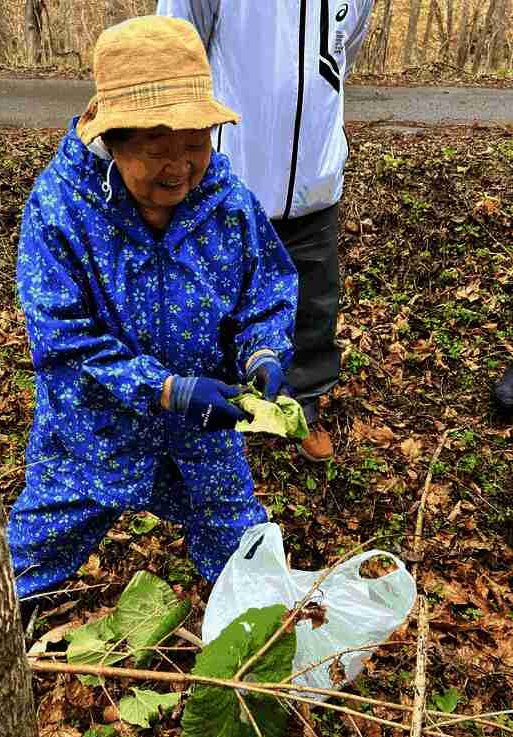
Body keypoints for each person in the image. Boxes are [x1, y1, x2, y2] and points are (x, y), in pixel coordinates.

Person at [8, 16, 298, 600]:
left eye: (195, 144)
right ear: (112, 141)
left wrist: (262, 349)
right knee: (28, 560)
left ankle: (259, 645)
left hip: (204, 427)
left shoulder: (227, 201)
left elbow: (264, 286)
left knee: (241, 549)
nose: (181, 167)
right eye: (157, 150)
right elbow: (61, 339)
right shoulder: (61, 211)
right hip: (91, 430)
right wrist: (164, 389)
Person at [157, 0, 374, 461]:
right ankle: (217, 415)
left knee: (313, 303)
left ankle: (304, 407)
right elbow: (175, 42)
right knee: (214, 301)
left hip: (316, 175)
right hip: (233, 173)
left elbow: (344, 53)